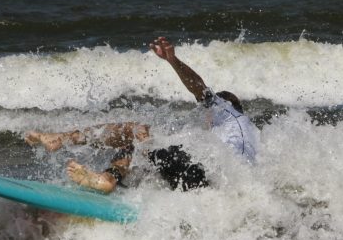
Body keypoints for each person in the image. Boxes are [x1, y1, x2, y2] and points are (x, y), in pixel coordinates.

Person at [25, 37, 259, 194]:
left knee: (139, 131)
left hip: (204, 175)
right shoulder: (253, 139)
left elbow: (200, 88)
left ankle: (64, 141)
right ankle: (110, 178)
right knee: (143, 150)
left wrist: (172, 60)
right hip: (211, 190)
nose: (205, 113)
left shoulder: (227, 110)